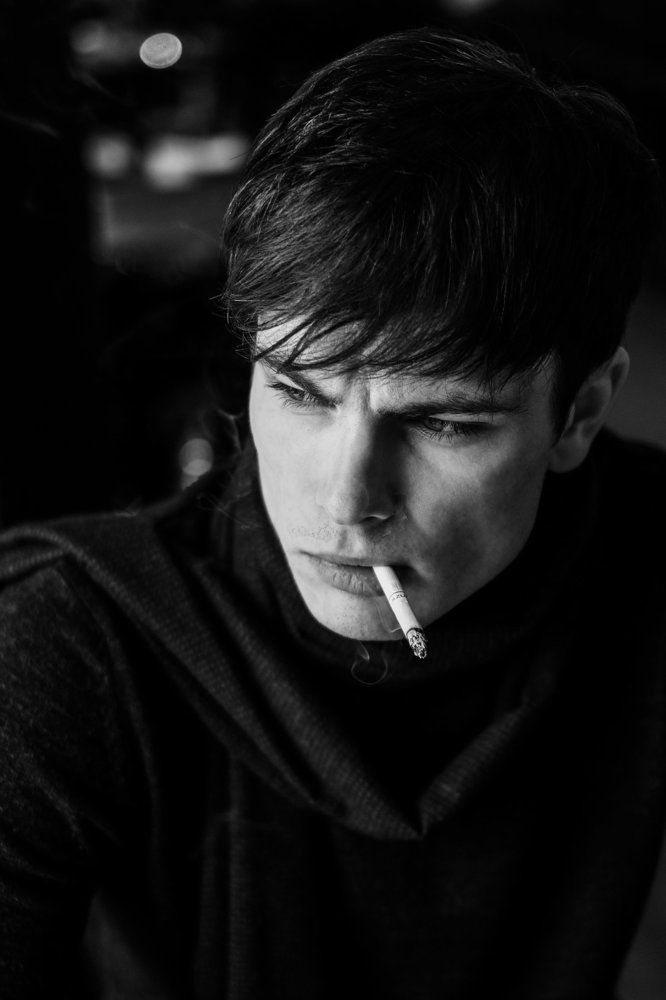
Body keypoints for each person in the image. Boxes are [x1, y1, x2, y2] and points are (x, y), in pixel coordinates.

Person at [1, 25, 665, 1000]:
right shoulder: (65, 639)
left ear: (582, 413)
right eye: (299, 392)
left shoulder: (644, 563)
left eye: (443, 422)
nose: (347, 501)